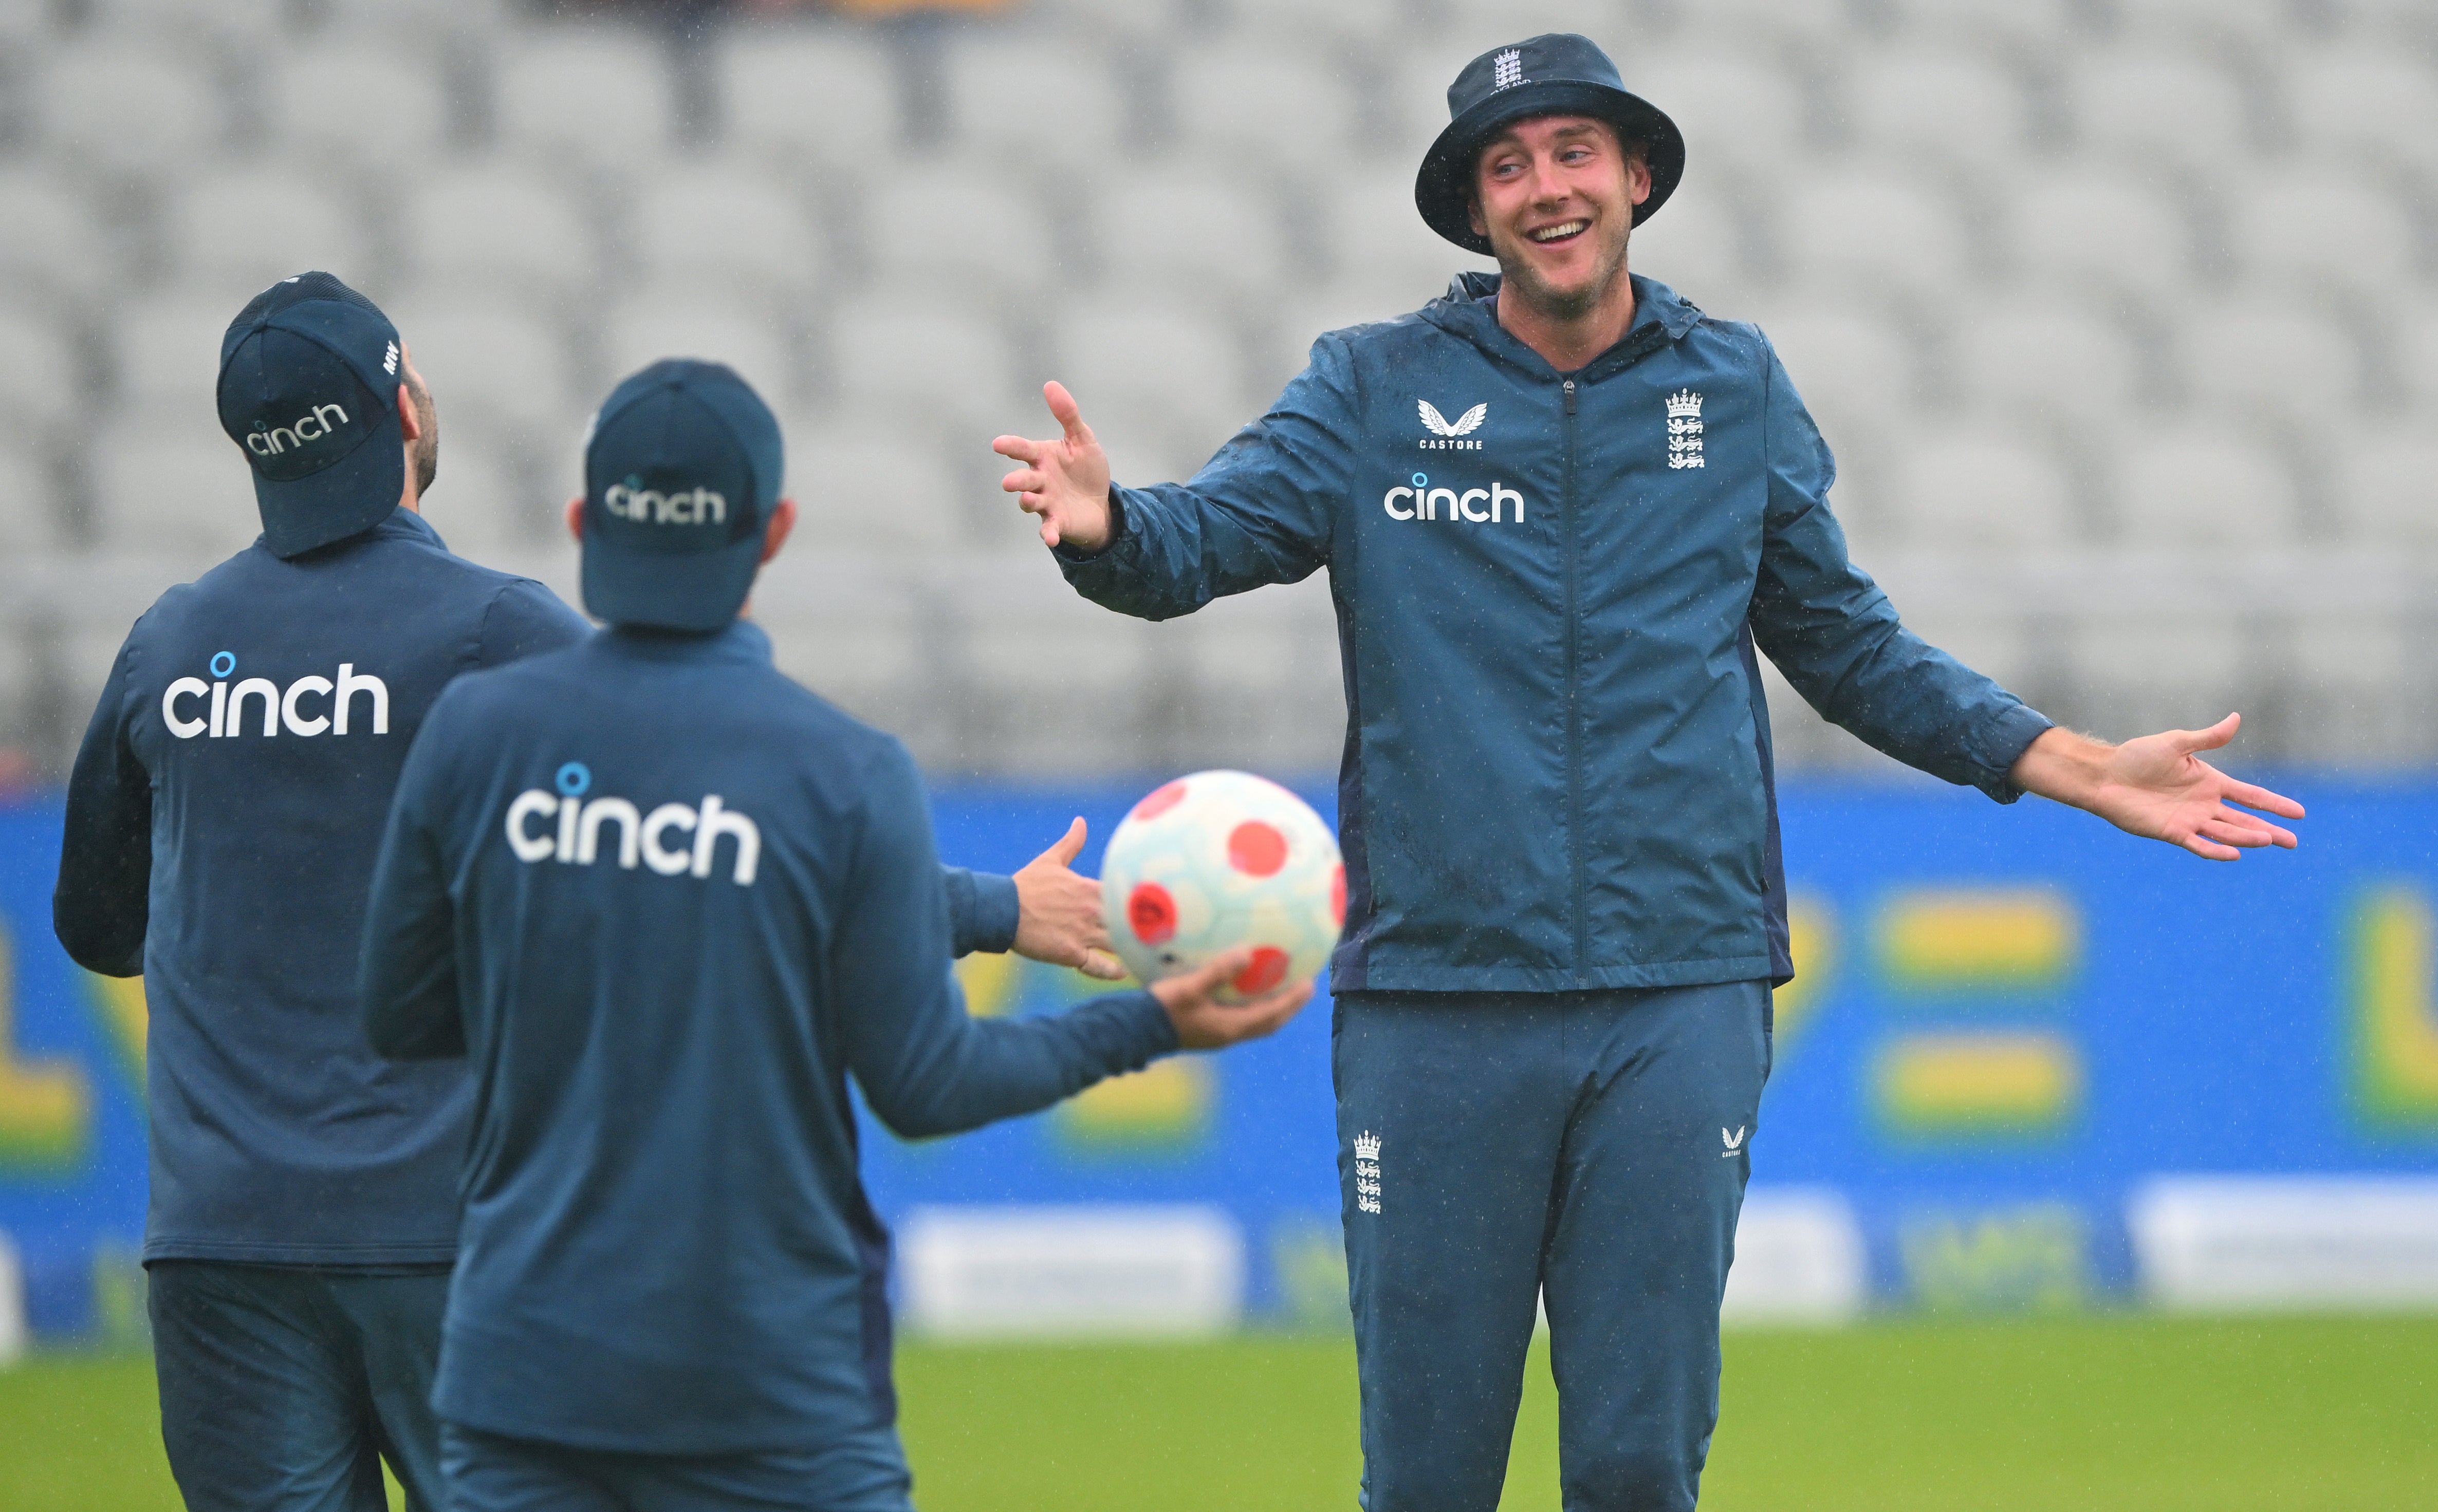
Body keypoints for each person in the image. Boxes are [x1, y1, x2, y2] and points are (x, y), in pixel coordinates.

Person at [990, 33, 2306, 1512]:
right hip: (1436, 1004)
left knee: (1634, 1470)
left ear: (1636, 176)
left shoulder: (1731, 386)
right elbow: (1201, 541)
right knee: (1427, 1481)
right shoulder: (1370, 389)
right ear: (1475, 209)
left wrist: (2071, 762)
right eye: (1508, 165)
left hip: (1679, 993)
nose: (1545, 188)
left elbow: (1848, 646)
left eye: (1572, 154)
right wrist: (1108, 528)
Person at [48, 275, 1115, 1512]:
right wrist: (996, 907)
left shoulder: (171, 644)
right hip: (457, 1241)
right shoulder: (493, 633)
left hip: (216, 1247)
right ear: (404, 405)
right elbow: (745, 832)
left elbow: (95, 926)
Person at [355, 358, 1309, 1512]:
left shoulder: (476, 732)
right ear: (775, 531)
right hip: (769, 1390)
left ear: (582, 522)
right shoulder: (841, 773)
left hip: (525, 1378)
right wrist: (1150, 1021)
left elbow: (400, 1011)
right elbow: (928, 1083)